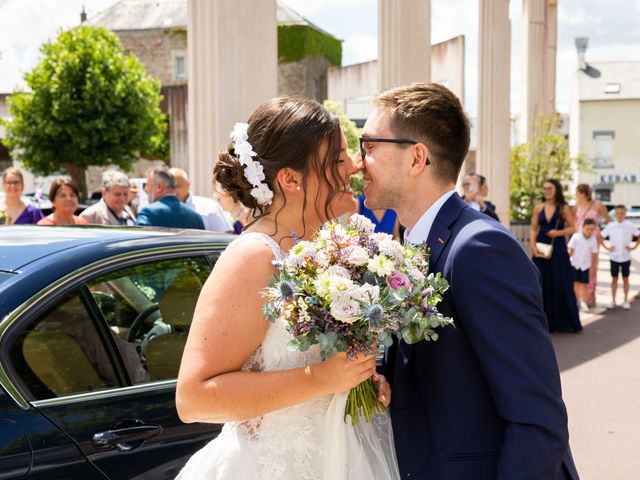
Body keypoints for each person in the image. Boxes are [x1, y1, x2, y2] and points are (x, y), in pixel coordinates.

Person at [361, 83, 577, 479]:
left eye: (369, 145)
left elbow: (537, 419)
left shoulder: (480, 248)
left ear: (416, 158)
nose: (359, 162)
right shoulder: (405, 242)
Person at [175, 97, 398, 479]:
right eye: (337, 160)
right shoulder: (253, 257)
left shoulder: (328, 247)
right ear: (291, 179)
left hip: (340, 458)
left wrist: (357, 381)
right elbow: (194, 398)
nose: (355, 166)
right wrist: (322, 380)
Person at [531, 179, 582, 333]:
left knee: (562, 283)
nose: (546, 191)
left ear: (556, 190)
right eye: (544, 188)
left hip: (558, 248)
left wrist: (558, 232)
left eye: (549, 188)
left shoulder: (563, 208)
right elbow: (533, 229)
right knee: (541, 284)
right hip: (540, 248)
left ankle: (564, 323)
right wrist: (532, 247)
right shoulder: (538, 207)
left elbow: (574, 228)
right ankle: (543, 323)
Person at [573, 183, 611, 306]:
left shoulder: (598, 205)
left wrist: (602, 235)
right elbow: (575, 222)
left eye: (577, 192)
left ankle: (589, 298)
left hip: (593, 240)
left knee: (591, 268)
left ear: (584, 193)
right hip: (579, 240)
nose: (576, 194)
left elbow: (609, 221)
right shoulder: (577, 205)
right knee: (577, 267)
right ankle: (577, 298)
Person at [136, 167, 205, 230]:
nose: (145, 189)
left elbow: (138, 241)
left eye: (148, 184)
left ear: (159, 187)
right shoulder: (196, 217)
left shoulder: (148, 213)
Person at [169, 167, 233, 232]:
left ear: (188, 184)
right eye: (169, 187)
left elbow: (227, 233)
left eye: (177, 186)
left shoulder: (209, 206)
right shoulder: (160, 209)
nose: (173, 190)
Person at [601, 205, 640, 310]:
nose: (619, 215)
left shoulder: (630, 225)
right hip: (614, 256)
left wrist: (634, 247)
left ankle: (626, 300)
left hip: (625, 257)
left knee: (625, 278)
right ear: (615, 214)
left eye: (621, 213)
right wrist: (606, 247)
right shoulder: (611, 225)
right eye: (617, 213)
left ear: (625, 214)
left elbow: (638, 235)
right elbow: (600, 236)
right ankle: (613, 300)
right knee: (614, 278)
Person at [567, 218, 599, 312]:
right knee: (575, 283)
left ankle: (583, 302)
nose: (589, 231)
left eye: (592, 229)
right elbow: (570, 249)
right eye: (588, 229)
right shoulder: (576, 237)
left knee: (584, 284)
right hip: (574, 264)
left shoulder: (593, 240)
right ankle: (575, 301)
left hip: (585, 265)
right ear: (583, 227)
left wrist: (593, 269)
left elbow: (594, 255)